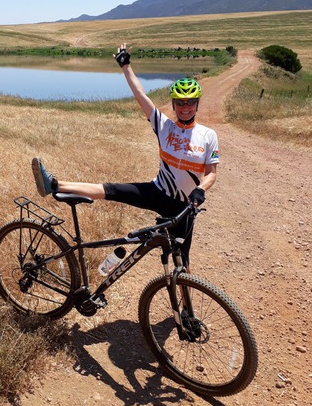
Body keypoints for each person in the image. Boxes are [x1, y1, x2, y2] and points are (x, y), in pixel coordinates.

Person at [32, 43, 219, 265]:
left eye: (190, 103)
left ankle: (182, 288)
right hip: (158, 192)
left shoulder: (208, 135)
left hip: (185, 206)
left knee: (181, 258)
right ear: (173, 104)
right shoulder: (164, 126)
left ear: (197, 104)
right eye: (180, 103)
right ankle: (53, 184)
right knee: (110, 190)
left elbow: (211, 173)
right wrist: (126, 67)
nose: (185, 107)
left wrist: (200, 189)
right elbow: (140, 95)